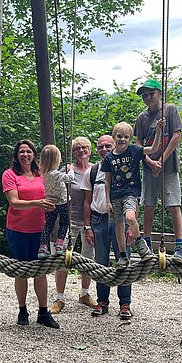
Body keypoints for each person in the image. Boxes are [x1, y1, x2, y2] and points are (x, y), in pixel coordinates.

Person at [2, 139, 59, 329]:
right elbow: (14, 202)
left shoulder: (41, 174)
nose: (25, 155)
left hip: (40, 229)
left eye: (28, 151)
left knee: (40, 271)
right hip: (18, 229)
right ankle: (22, 309)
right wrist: (37, 203)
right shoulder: (10, 175)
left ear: (34, 154)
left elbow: (55, 189)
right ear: (16, 155)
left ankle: (43, 311)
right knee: (22, 270)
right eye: (21, 152)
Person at [81, 135, 134, 319]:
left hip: (121, 220)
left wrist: (132, 226)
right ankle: (102, 301)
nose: (104, 149)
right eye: (100, 146)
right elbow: (87, 202)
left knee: (124, 260)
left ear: (114, 146)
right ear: (97, 149)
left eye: (107, 146)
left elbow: (133, 198)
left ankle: (125, 303)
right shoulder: (93, 171)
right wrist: (88, 227)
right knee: (100, 262)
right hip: (99, 220)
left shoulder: (125, 167)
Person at [135, 79, 182, 259]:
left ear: (159, 94)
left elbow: (176, 136)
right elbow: (138, 144)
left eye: (151, 94)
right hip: (149, 167)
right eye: (144, 95)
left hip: (169, 166)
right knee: (148, 204)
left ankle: (179, 245)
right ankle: (147, 242)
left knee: (173, 205)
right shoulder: (142, 118)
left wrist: (161, 161)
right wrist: (149, 162)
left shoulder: (170, 110)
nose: (147, 98)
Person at [102, 121, 164, 269]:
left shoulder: (134, 151)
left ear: (130, 139)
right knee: (118, 226)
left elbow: (154, 148)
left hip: (131, 192)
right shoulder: (109, 158)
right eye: (119, 136)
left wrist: (159, 131)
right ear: (114, 137)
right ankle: (123, 256)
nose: (122, 139)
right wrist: (108, 201)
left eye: (126, 137)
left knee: (130, 217)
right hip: (115, 195)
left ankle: (140, 243)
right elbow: (107, 180)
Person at [49, 137, 97, 314]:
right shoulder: (68, 170)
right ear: (73, 152)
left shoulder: (95, 170)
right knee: (63, 257)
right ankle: (59, 298)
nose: (81, 151)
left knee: (88, 257)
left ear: (90, 150)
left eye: (84, 147)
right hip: (68, 220)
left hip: (90, 221)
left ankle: (84, 294)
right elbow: (54, 187)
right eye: (77, 148)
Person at [37, 144, 75, 258]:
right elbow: (70, 179)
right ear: (56, 159)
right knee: (64, 223)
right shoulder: (56, 174)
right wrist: (71, 169)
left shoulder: (44, 174)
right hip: (61, 202)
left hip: (49, 203)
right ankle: (59, 244)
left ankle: (43, 247)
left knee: (48, 225)